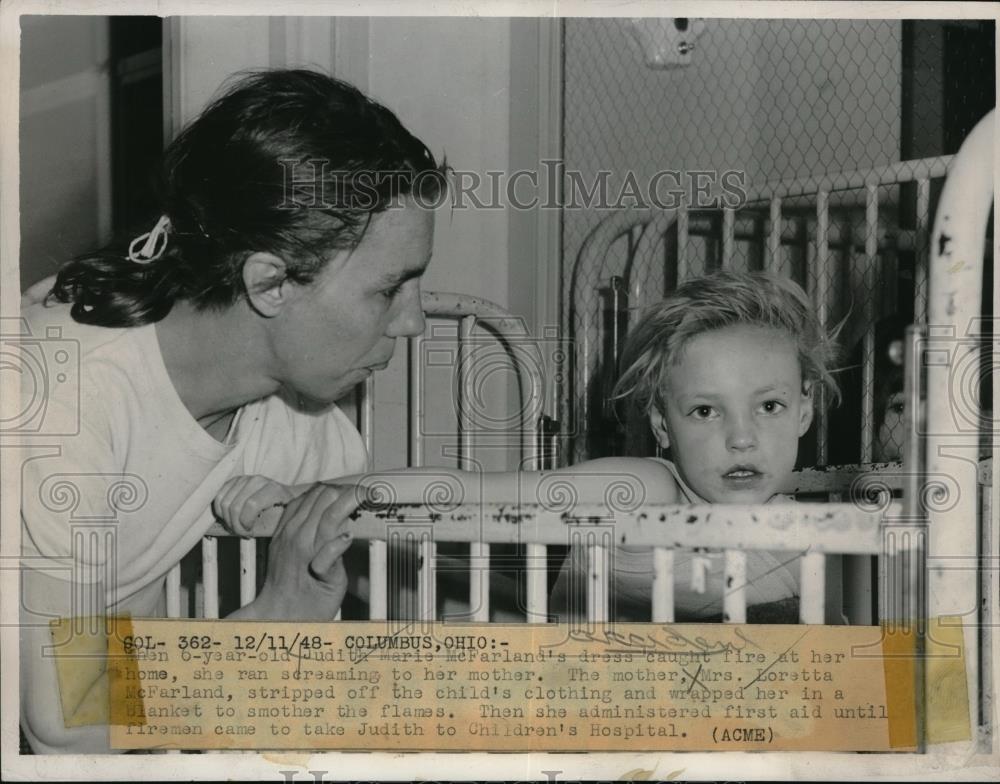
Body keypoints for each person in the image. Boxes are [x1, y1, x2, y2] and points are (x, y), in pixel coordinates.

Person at [19, 68, 445, 753]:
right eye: (390, 289)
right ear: (269, 282)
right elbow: (62, 713)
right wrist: (275, 616)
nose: (414, 323)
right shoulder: (60, 394)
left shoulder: (300, 431)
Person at [219, 270, 839, 625]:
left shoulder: (821, 522)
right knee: (398, 570)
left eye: (770, 406)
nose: (742, 436)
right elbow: (473, 493)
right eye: (705, 410)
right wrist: (317, 497)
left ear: (806, 406)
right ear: (660, 423)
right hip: (561, 686)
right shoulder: (649, 489)